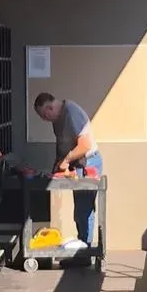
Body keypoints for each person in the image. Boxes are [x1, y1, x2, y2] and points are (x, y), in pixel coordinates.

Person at [34, 92, 102, 253]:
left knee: (83, 209)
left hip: (88, 162)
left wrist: (66, 160)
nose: (44, 119)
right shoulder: (56, 119)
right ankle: (81, 247)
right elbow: (62, 144)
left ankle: (84, 252)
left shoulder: (71, 113)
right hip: (75, 163)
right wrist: (56, 168)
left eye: (44, 115)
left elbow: (85, 145)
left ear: (50, 107)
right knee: (79, 210)